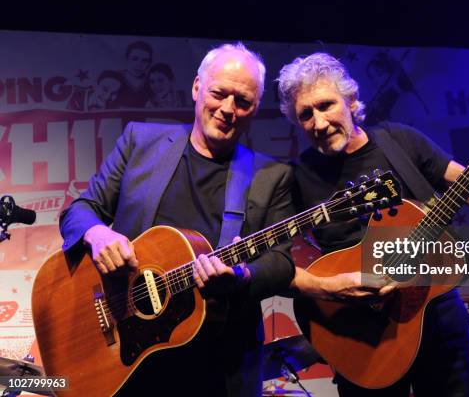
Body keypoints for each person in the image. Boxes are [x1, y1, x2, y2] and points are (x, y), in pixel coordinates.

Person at [277, 53, 469, 396]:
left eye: (326, 105)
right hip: (361, 332)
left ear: (352, 102)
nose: (319, 123)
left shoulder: (400, 142)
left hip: (435, 311)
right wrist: (330, 288)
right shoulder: (297, 176)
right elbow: (275, 265)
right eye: (306, 114)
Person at [59, 43, 295, 396]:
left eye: (242, 101)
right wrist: (97, 234)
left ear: (255, 109)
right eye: (219, 93)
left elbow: (282, 263)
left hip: (216, 367)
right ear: (198, 87)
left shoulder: (270, 175)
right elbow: (79, 210)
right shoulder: (140, 141)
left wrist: (243, 276)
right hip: (128, 358)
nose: (228, 109)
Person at [113, 41, 154, 108]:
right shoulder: (114, 78)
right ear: (126, 59)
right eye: (134, 59)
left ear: (150, 63)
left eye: (145, 61)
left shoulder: (152, 82)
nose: (139, 65)